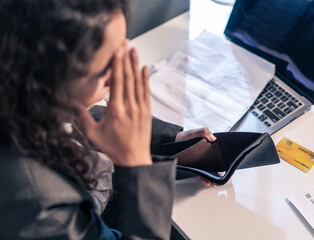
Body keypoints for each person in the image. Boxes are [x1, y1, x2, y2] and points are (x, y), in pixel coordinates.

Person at [0, 0, 215, 239]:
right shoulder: (42, 208)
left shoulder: (22, 92)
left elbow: (83, 117)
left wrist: (171, 138)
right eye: (106, 68)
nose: (119, 76)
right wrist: (138, 166)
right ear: (48, 78)